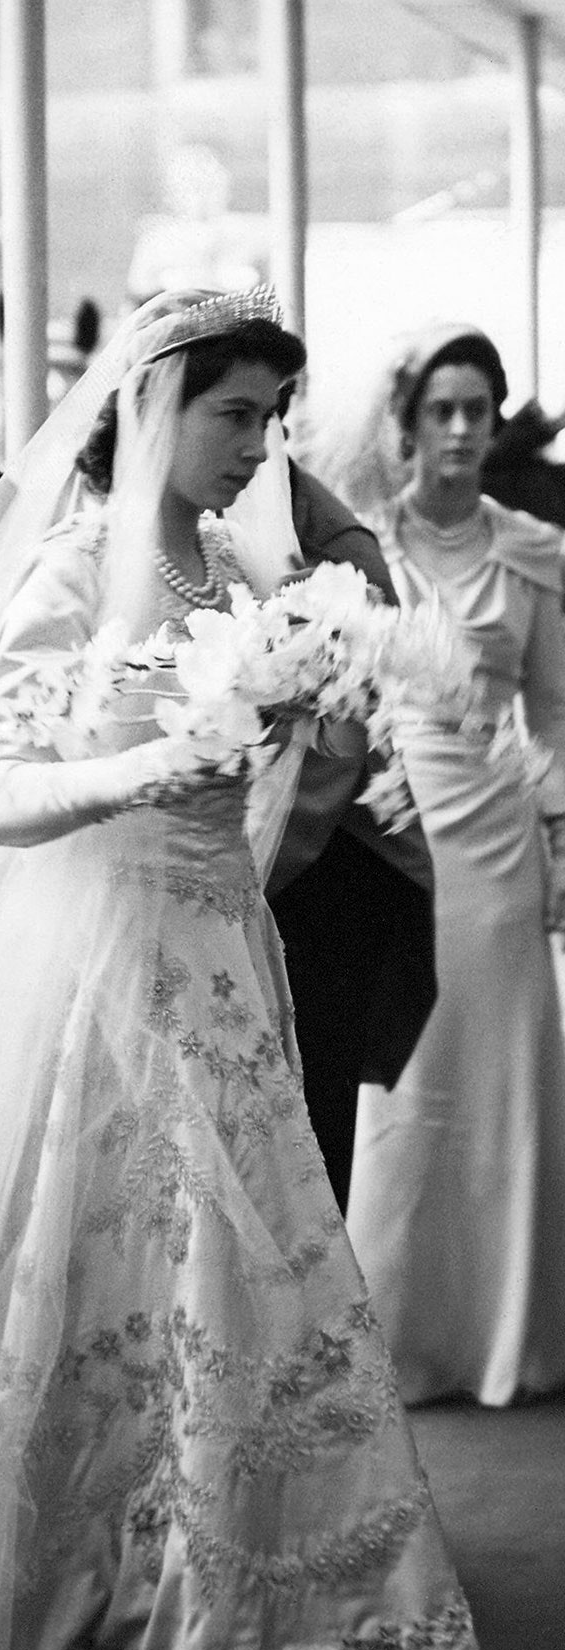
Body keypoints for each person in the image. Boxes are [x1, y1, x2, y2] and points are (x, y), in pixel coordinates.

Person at [0, 288, 513, 1650]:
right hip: (100, 965)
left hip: (217, 954)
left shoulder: (234, 569)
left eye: (272, 420)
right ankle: (54, 1633)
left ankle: (232, 1639)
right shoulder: (70, 566)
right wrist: (162, 759)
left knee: (244, 1297)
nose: (256, 448)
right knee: (97, 1289)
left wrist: (306, 719)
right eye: (232, 415)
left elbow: (266, 768)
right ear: (155, 408)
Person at [334, 325, 565, 1406]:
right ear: (411, 423)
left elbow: (553, 710)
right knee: (408, 1082)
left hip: (501, 844)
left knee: (500, 1084)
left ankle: (504, 1334)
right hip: (395, 832)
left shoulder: (527, 550)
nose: (463, 430)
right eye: (443, 411)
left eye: (478, 409)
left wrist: (554, 823)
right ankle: (397, 1333)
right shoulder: (359, 545)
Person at [265, 458, 438, 1211]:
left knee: (304, 1152)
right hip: (225, 876)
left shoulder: (335, 542)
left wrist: (231, 873)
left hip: (320, 880)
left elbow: (342, 757)